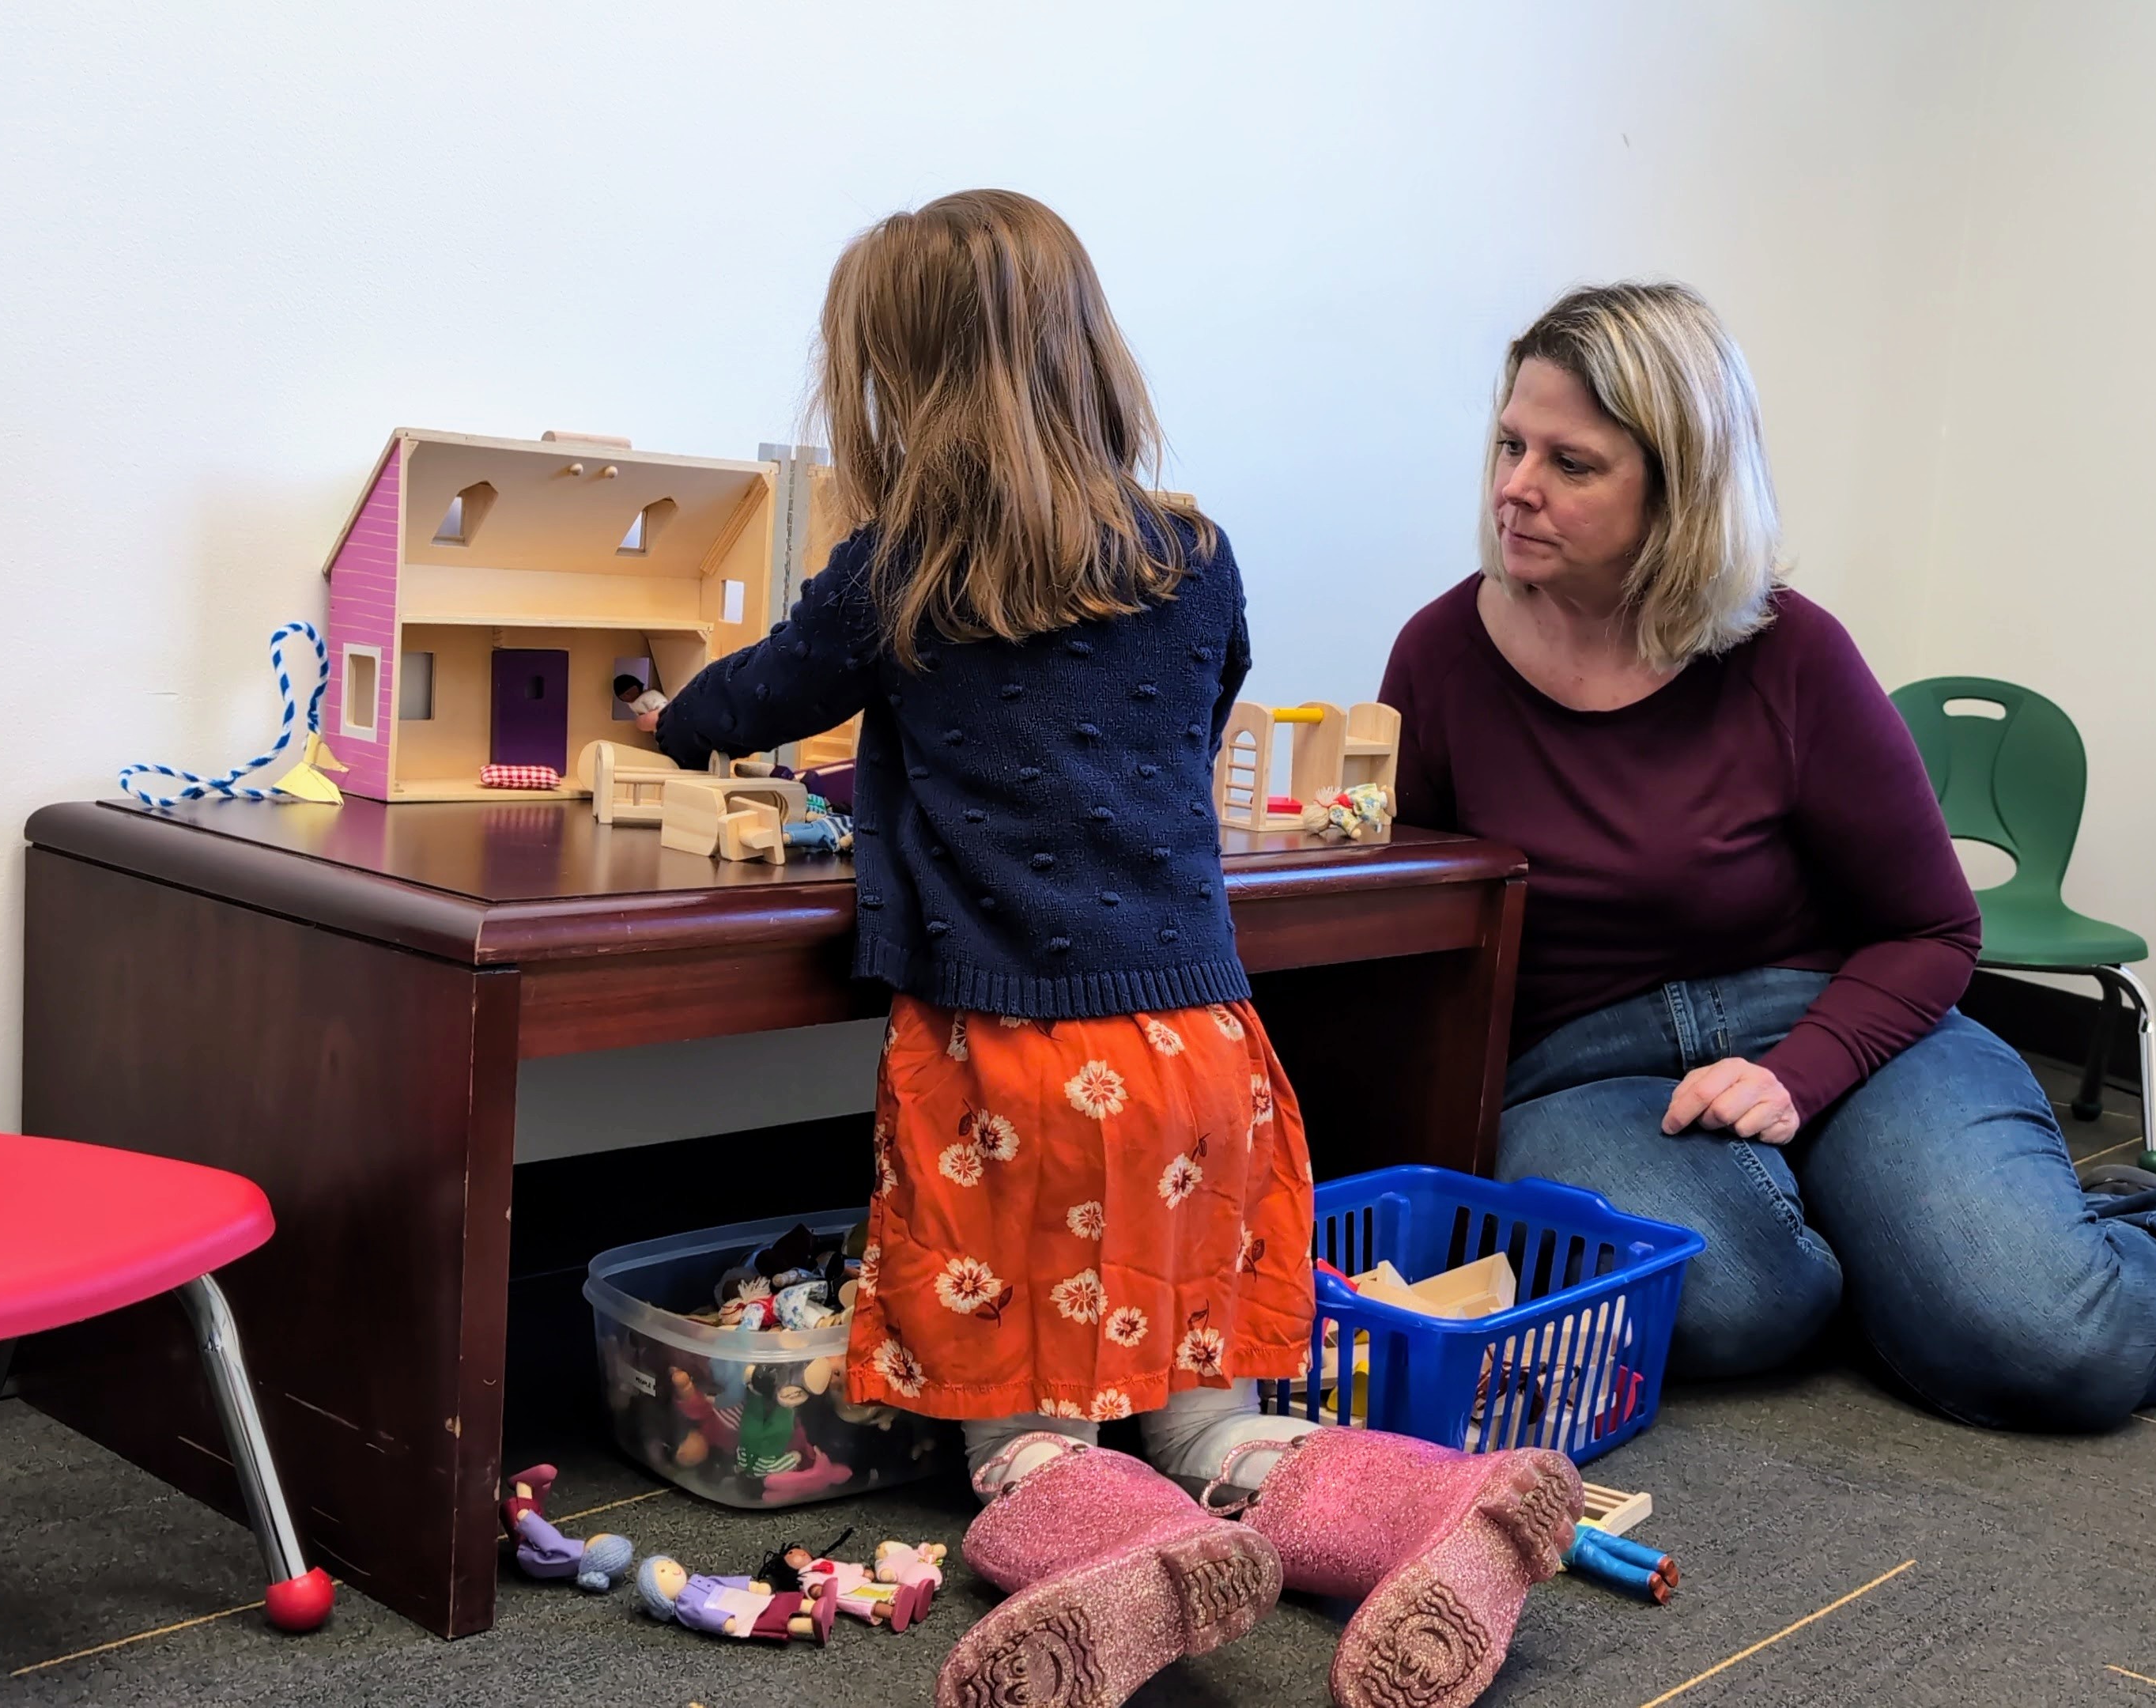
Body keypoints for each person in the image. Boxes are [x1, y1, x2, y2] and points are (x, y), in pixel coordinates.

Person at [650, 190, 1581, 1708]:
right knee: (1211, 1418)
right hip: (1206, 1052)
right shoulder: (1195, 553)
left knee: (1031, 1436)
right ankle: (1422, 1512)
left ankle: (1118, 1558)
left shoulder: (897, 567)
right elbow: (1175, 725)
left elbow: (742, 705)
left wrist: (657, 716)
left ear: (895, 384)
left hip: (1008, 1069)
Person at [1376, 281, 2156, 1434]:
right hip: (1583, 1073)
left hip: (1834, 1022)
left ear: (1679, 487)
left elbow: (1936, 928)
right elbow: (1421, 933)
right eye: (1509, 444)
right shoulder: (1440, 655)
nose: (1514, 488)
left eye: (1572, 463)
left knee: (2043, 1343)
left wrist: (1798, 1076)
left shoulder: (1789, 653)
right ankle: (1888, 1255)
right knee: (1738, 1310)